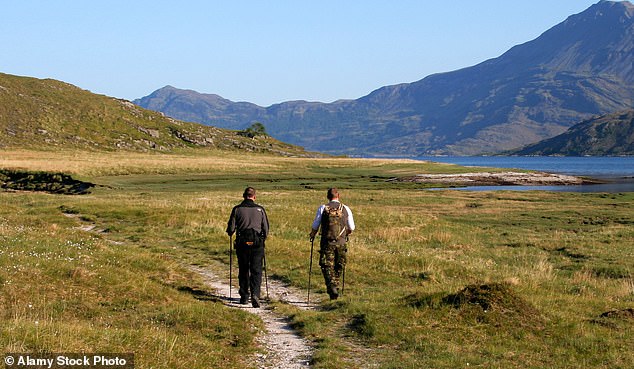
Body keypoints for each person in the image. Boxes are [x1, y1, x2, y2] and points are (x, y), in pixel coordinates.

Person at [226, 187, 269, 308]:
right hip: (257, 243)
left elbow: (230, 229)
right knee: (256, 269)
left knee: (244, 269)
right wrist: (262, 240)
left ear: (243, 196)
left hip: (242, 243)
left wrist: (231, 233)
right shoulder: (260, 209)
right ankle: (255, 294)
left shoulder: (237, 209)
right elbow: (266, 229)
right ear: (254, 197)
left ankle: (244, 296)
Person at [309, 188, 355, 300]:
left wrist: (312, 235)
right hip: (341, 242)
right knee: (339, 265)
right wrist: (346, 234)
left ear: (327, 196)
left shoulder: (323, 208)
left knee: (327, 265)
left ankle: (332, 287)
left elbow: (315, 225)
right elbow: (352, 227)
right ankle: (335, 287)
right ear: (338, 195)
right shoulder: (346, 209)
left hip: (327, 242)